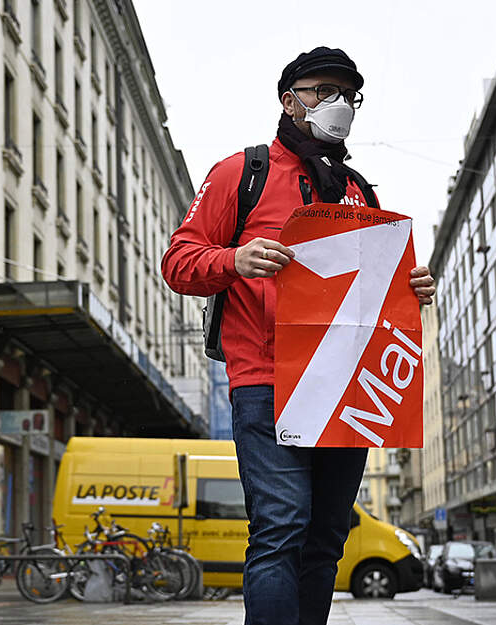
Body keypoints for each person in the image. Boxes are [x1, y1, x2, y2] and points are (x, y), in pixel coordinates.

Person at [161, 46, 435, 625]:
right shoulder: (243, 172)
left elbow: (370, 290)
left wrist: (409, 287)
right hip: (267, 381)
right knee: (282, 526)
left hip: (347, 388)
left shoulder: (360, 189)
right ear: (289, 101)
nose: (337, 104)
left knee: (327, 537)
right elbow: (179, 261)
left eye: (347, 95)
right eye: (322, 91)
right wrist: (236, 258)